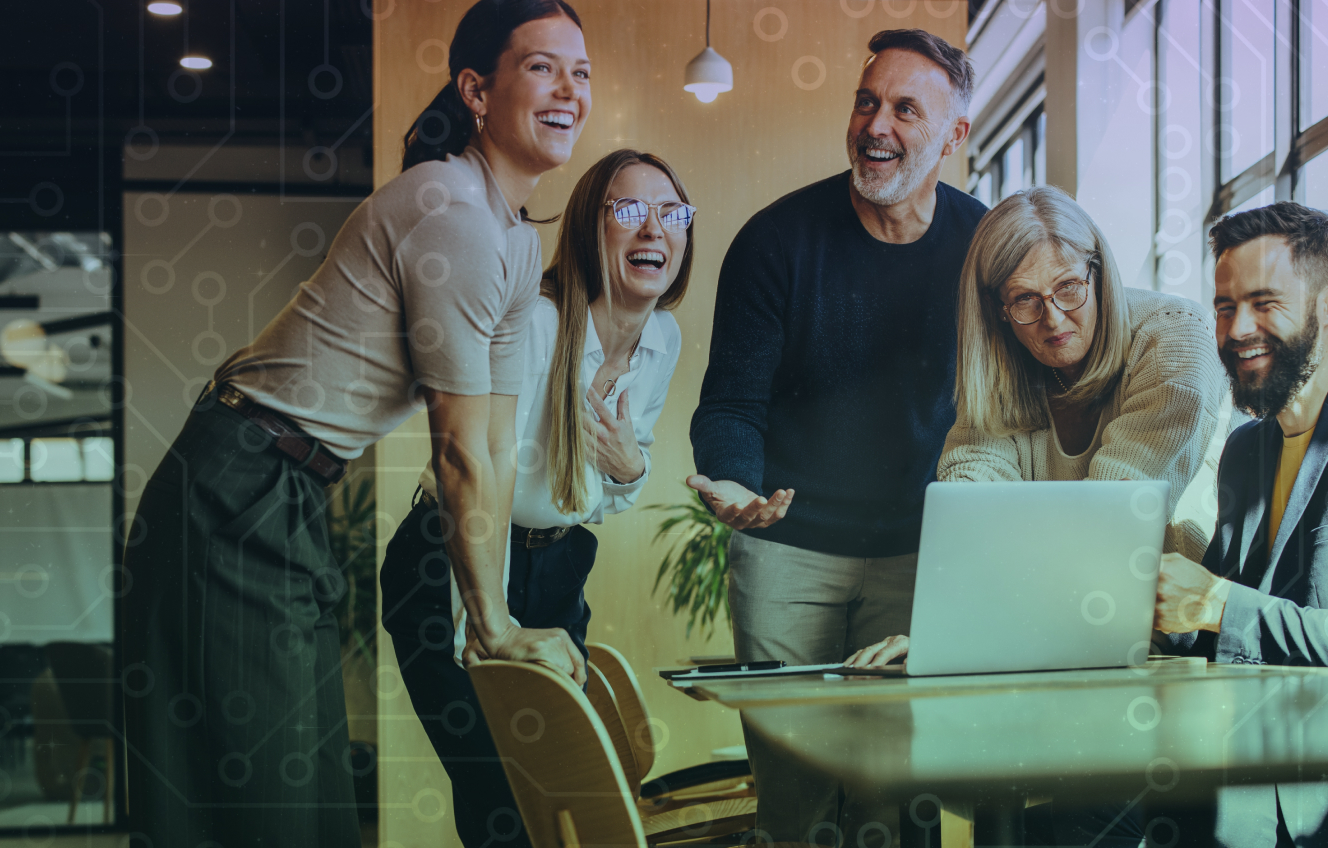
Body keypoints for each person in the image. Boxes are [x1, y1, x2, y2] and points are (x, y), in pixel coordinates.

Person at [119, 1, 589, 845]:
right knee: (263, 797)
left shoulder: (515, 246)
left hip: (287, 486)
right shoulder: (451, 214)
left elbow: (493, 444)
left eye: (581, 72)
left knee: (303, 788)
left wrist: (498, 618)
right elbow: (453, 451)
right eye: (543, 66)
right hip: (235, 482)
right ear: (477, 91)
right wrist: (490, 628)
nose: (569, 90)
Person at [688, 28, 987, 845]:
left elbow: (1010, 407)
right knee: (799, 799)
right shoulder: (775, 241)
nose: (875, 125)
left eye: (903, 108)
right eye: (865, 101)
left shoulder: (984, 248)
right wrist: (734, 482)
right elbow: (730, 405)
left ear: (954, 137)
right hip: (787, 552)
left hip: (921, 555)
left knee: (902, 801)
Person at [382, 148, 692, 846]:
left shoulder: (661, 340)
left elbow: (608, 496)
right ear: (589, 227)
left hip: (556, 567)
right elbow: (478, 472)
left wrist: (627, 469)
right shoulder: (538, 323)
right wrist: (482, 626)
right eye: (630, 211)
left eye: (672, 213)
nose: (655, 231)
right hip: (453, 559)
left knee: (559, 792)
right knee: (504, 798)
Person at [1142, 202, 1328, 845]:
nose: (1237, 328)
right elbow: (1215, 626)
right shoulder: (1249, 448)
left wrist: (1216, 602)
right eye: (1224, 307)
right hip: (1241, 762)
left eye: (1263, 302)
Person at [844, 184, 1228, 670]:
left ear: (1099, 271)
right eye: (1025, 299)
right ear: (998, 312)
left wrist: (969, 633)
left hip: (1179, 641)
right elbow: (972, 515)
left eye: (1068, 287)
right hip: (1049, 629)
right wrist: (946, 635)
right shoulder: (1001, 370)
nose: (1054, 319)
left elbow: (1108, 528)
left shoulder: (1175, 338)